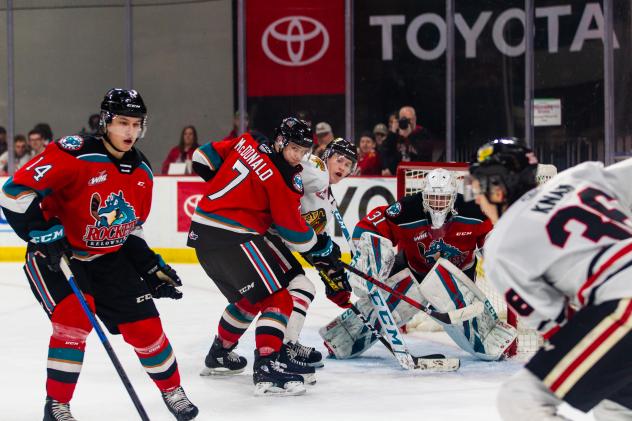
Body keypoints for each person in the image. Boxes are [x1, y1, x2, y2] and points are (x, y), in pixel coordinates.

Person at [0, 88, 198, 421]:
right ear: (106, 121)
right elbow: (13, 193)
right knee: (75, 318)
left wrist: (148, 265)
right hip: (58, 258)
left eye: (136, 124)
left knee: (147, 328)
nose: (130, 132)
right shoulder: (75, 153)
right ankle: (57, 406)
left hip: (109, 259)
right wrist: (40, 231)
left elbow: (131, 228)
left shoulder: (142, 171)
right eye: (123, 123)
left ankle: (172, 391)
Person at [468, 138, 632, 420]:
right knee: (615, 404)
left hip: (623, 305)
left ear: (496, 188)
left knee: (520, 399)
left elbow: (561, 323)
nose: (477, 199)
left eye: (477, 188)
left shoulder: (502, 243)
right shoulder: (577, 177)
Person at [187, 117, 344, 396]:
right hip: (233, 236)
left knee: (251, 299)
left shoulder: (249, 140)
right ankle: (268, 367)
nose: (297, 156)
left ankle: (219, 354)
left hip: (203, 232)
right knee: (278, 299)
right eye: (294, 148)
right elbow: (294, 233)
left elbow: (201, 158)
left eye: (303, 151)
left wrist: (232, 193)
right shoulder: (286, 178)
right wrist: (321, 245)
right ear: (281, 141)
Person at [321, 168, 516, 361]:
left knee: (475, 332)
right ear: (423, 195)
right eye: (432, 198)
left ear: (453, 196)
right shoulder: (408, 208)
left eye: (443, 198)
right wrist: (369, 255)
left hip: (456, 278)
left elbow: (493, 237)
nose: (437, 204)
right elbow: (371, 225)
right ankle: (343, 339)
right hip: (414, 271)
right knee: (391, 305)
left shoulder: (474, 210)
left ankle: (489, 338)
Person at [264, 138, 357, 368]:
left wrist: (330, 271)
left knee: (291, 292)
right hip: (265, 235)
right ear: (327, 156)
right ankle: (285, 348)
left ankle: (224, 349)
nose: (342, 168)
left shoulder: (327, 198)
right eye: (340, 160)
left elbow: (309, 241)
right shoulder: (315, 165)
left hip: (276, 240)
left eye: (348, 165)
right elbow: (285, 167)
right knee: (300, 290)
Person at [380, 106, 442, 175]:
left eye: (410, 119)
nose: (407, 123)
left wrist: (410, 136)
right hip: (397, 177)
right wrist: (392, 134)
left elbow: (424, 155)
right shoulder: (395, 136)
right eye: (404, 120)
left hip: (418, 178)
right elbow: (384, 153)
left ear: (415, 119)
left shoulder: (423, 134)